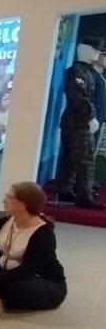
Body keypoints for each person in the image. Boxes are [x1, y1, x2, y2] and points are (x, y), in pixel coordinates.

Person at [0, 182, 67, 316]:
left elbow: (28, 269)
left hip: (40, 281)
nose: (4, 200)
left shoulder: (44, 233)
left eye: (9, 197)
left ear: (23, 204)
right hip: (6, 272)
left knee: (16, 288)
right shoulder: (4, 222)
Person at [55, 43, 105, 210]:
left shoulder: (86, 71)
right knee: (85, 160)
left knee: (71, 160)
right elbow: (79, 97)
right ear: (84, 50)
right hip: (78, 122)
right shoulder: (77, 72)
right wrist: (90, 117)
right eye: (95, 49)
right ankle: (84, 196)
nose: (98, 52)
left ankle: (65, 189)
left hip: (78, 122)